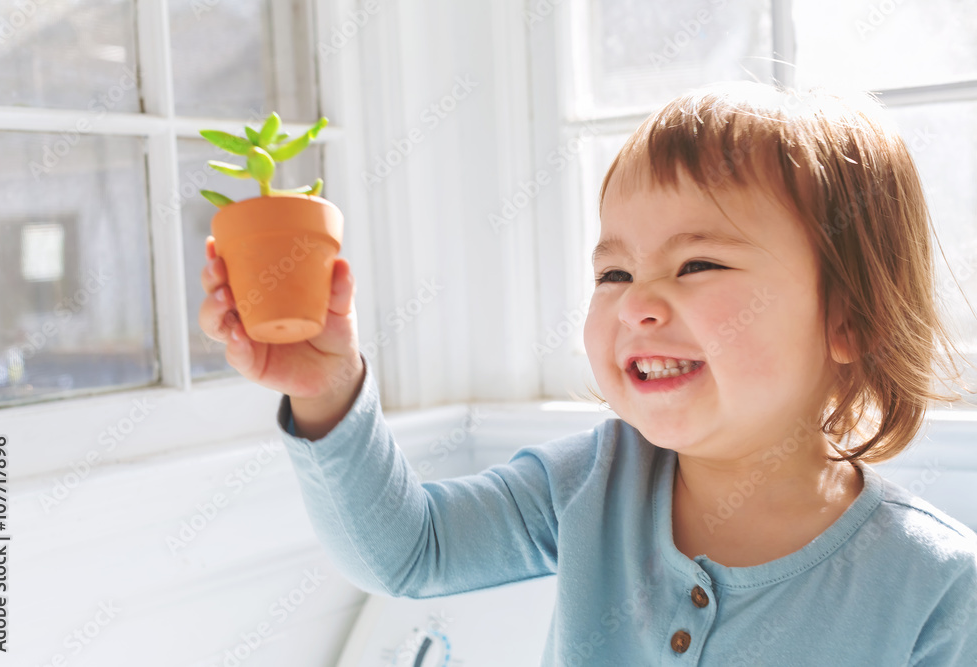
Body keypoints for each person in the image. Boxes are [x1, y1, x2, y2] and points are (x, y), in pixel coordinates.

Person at [199, 81, 977, 665]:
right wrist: (324, 389)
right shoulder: (590, 485)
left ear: (848, 317)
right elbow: (407, 551)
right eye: (613, 273)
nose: (638, 302)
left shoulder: (937, 587)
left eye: (697, 262)